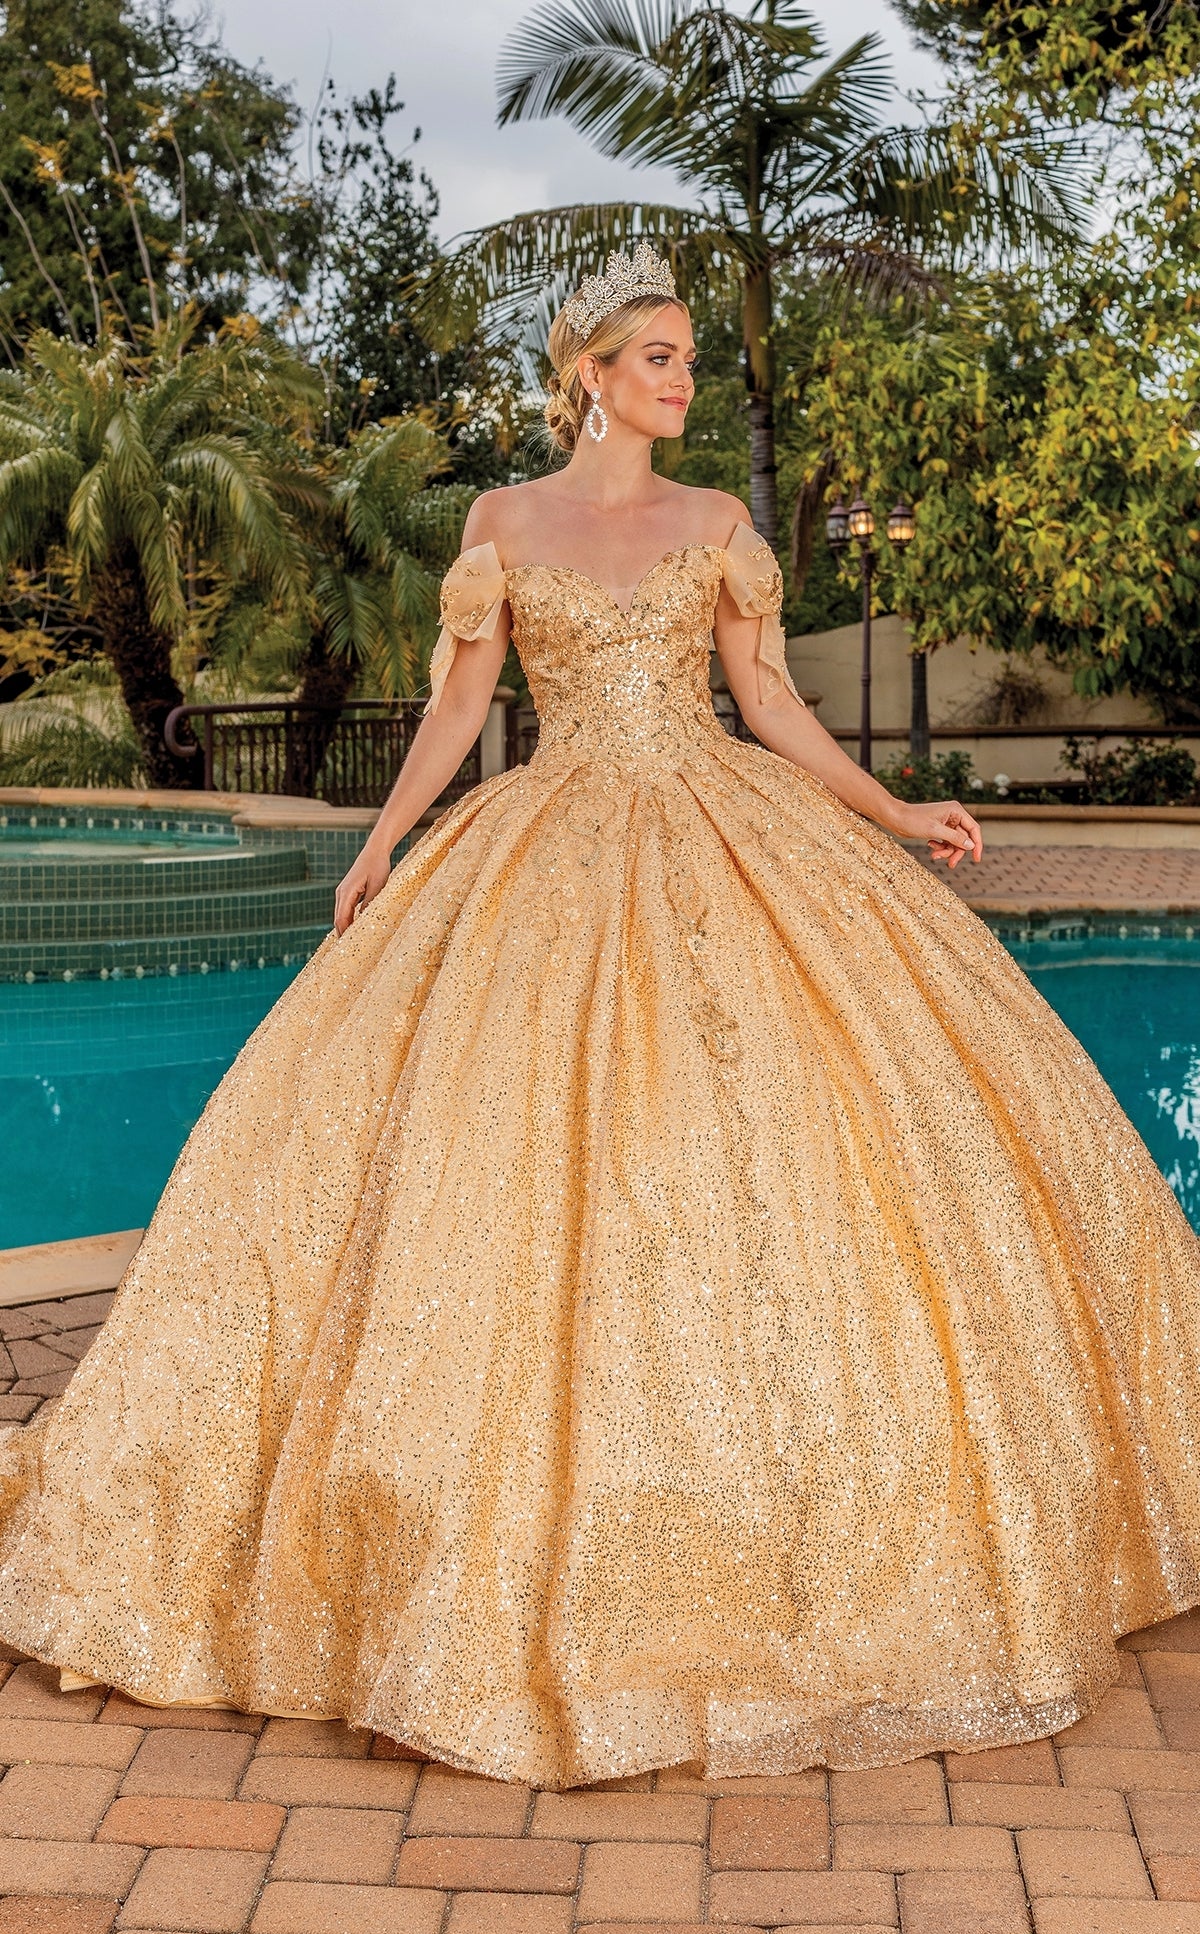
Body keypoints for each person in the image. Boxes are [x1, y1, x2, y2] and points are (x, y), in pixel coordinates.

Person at [1, 244, 1199, 1793]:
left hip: (724, 828)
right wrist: (379, 846)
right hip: (546, 836)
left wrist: (897, 811)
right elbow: (454, 711)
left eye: (692, 358)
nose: (686, 381)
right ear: (590, 374)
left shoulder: (719, 528)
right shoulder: (500, 528)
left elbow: (767, 702)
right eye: (660, 359)